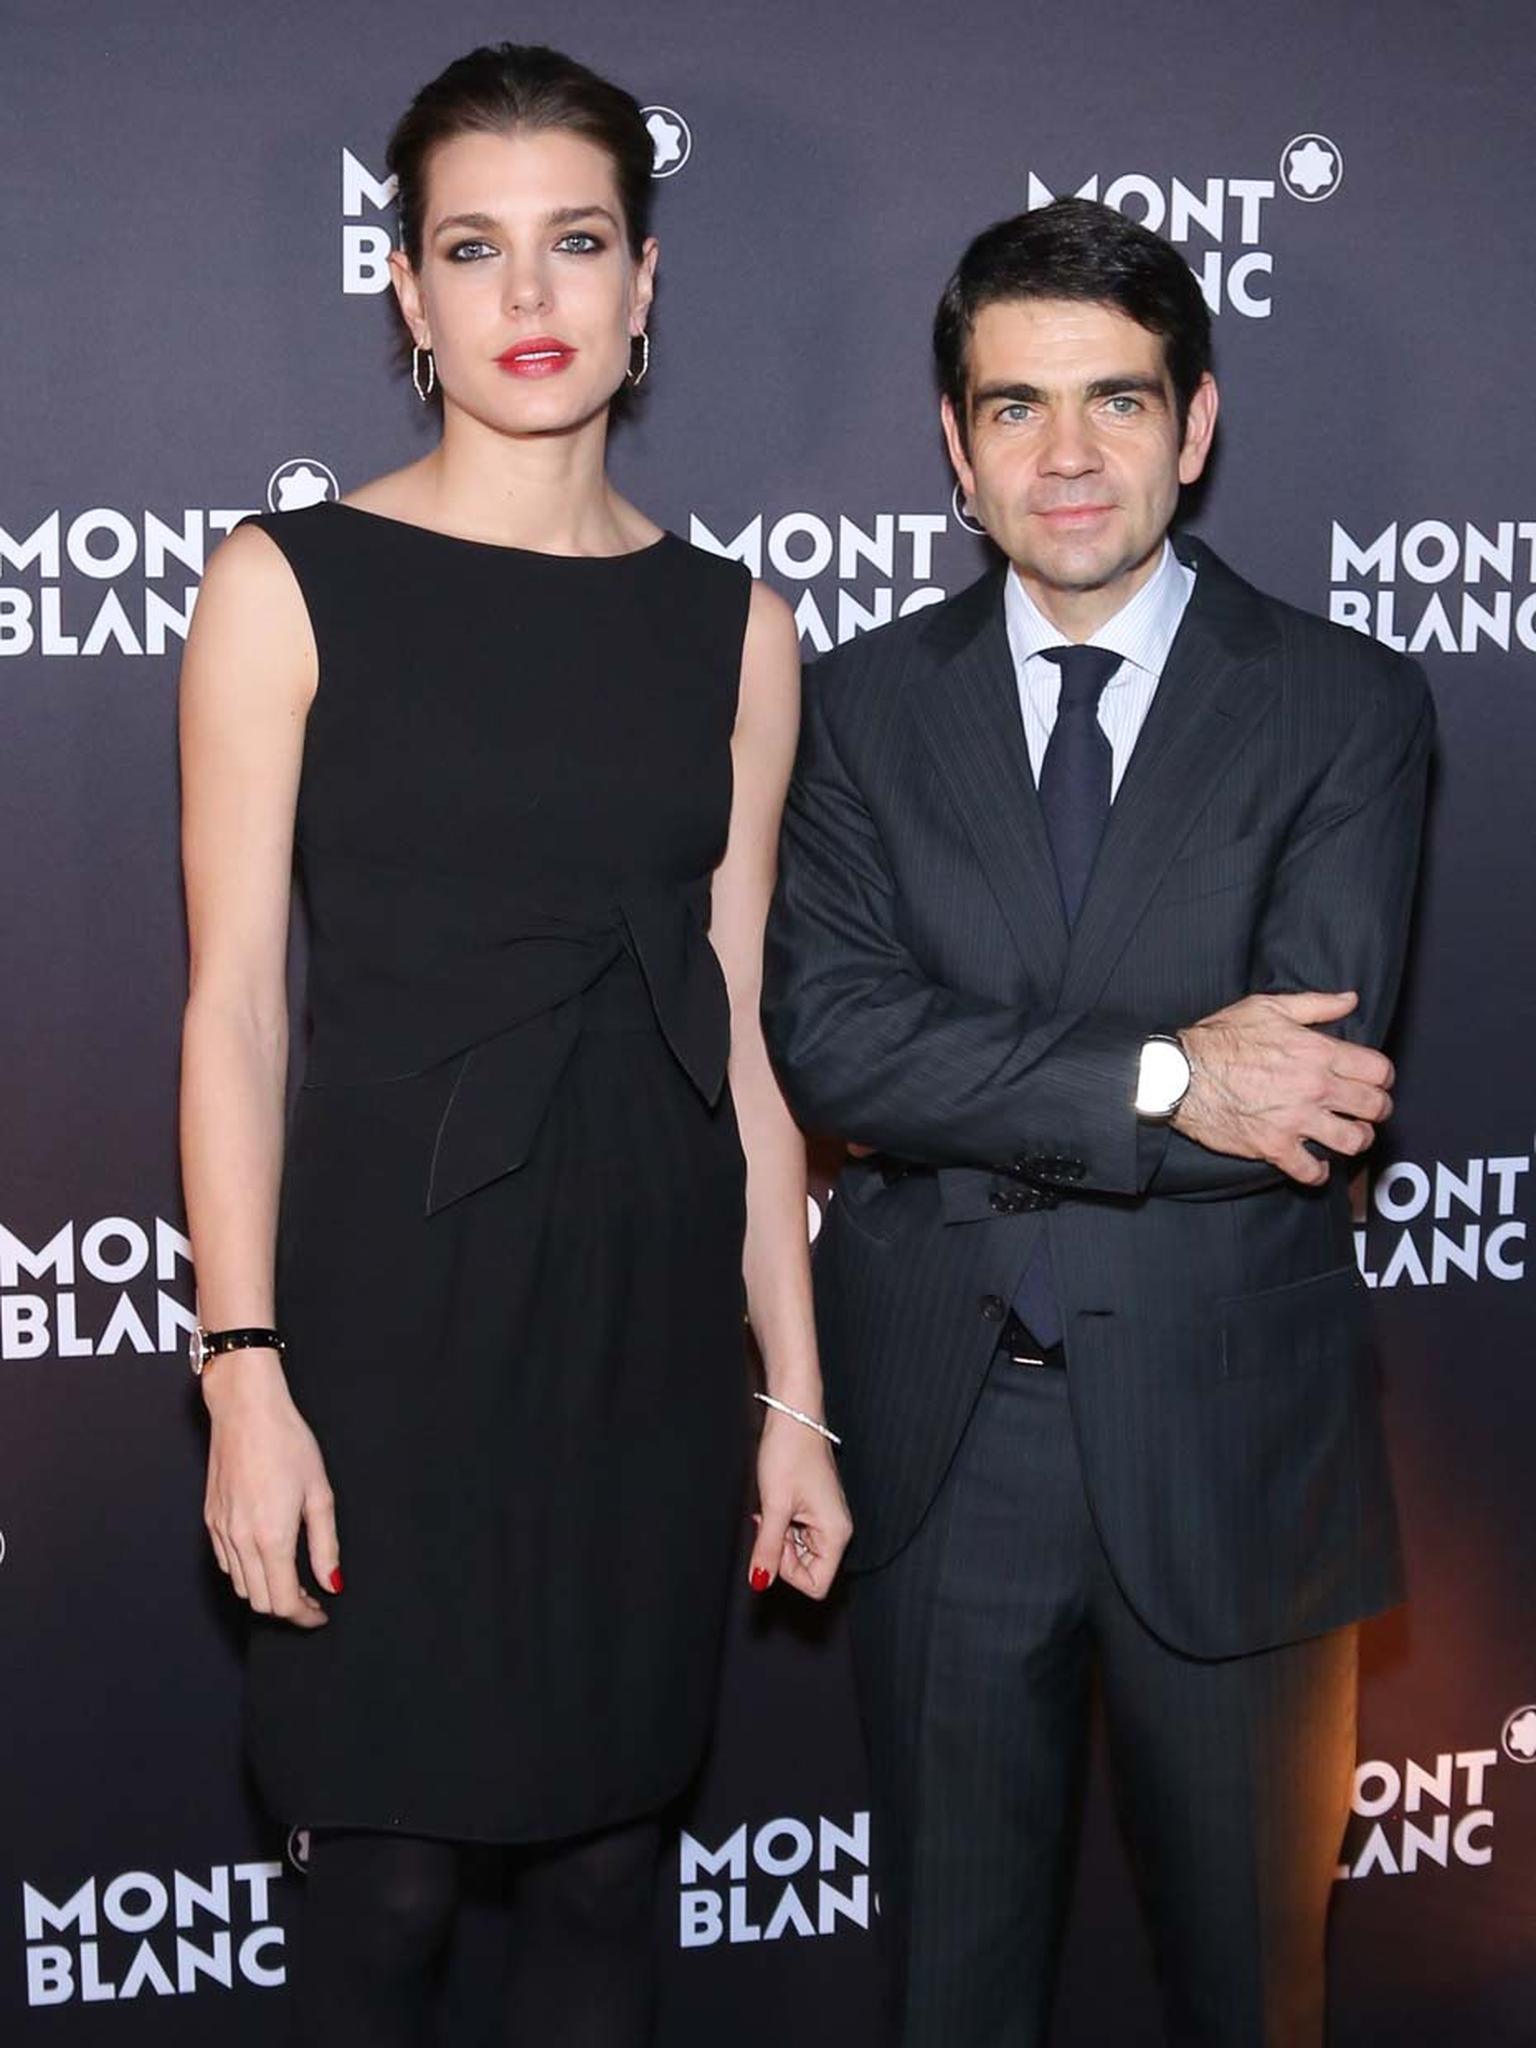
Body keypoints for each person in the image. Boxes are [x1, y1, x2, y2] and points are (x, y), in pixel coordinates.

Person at [178, 42, 849, 2046]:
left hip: (641, 1328)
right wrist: (242, 1368)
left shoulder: (739, 628)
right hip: (387, 1325)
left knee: (609, 1884)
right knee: (375, 1891)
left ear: (647, 286)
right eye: (476, 248)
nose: (530, 298)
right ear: (406, 289)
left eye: (578, 245)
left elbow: (732, 1024)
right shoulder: (286, 587)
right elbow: (231, 1007)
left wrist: (794, 1388)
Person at [763, 196, 1433, 2047]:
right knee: (953, 2002)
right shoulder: (847, 711)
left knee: (1252, 2000)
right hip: (943, 1442)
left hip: (1235, 1446)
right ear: (954, 447)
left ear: (1196, 425)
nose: (1068, 457)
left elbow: (1297, 1089)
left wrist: (987, 1071)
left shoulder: (1345, 706)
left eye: (1119, 403)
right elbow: (832, 1044)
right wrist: (1158, 1070)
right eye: (1017, 408)